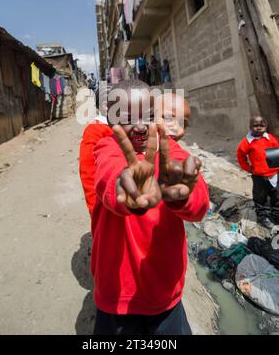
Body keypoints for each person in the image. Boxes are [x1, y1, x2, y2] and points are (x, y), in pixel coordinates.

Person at [91, 80, 209, 335]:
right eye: (127, 117)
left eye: (148, 115)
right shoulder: (107, 148)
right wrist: (125, 188)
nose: (141, 126)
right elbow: (107, 178)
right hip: (117, 293)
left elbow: (198, 203)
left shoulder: (170, 150)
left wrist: (182, 197)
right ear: (111, 121)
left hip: (164, 289)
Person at [237, 115, 279, 229]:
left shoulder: (270, 138)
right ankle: (263, 217)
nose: (259, 127)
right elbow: (241, 156)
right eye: (256, 125)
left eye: (262, 125)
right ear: (250, 127)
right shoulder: (247, 142)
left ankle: (276, 216)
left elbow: (277, 151)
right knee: (261, 198)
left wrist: (276, 167)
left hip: (274, 175)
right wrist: (248, 168)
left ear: (266, 126)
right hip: (259, 177)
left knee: (276, 197)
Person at [79, 84, 112, 216]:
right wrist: (95, 208)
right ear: (106, 106)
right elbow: (87, 170)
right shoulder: (94, 131)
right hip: (105, 201)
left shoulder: (119, 126)